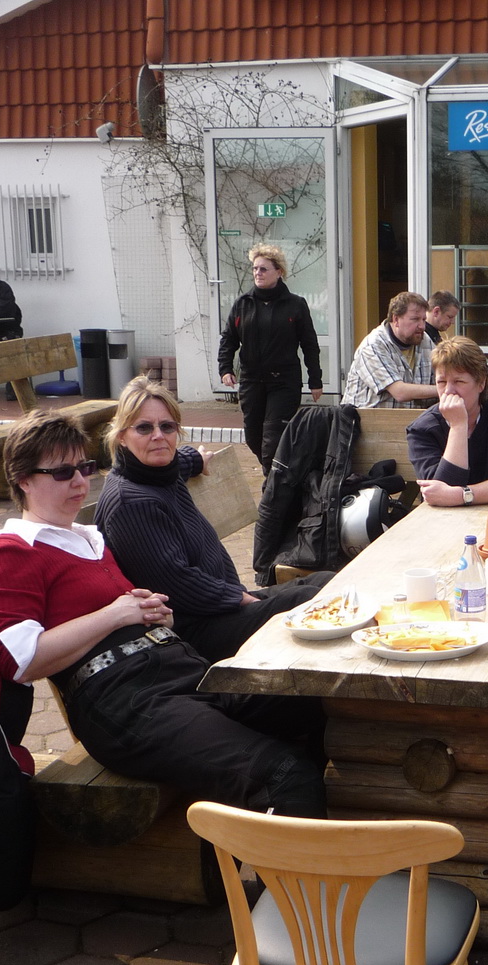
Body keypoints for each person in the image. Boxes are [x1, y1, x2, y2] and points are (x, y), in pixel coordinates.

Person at [0, 408, 326, 818]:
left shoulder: (85, 538)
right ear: (23, 480)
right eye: (62, 472)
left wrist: (153, 615)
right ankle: (301, 859)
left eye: (84, 467)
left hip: (182, 672)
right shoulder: (12, 551)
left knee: (317, 703)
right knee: (284, 775)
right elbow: (19, 660)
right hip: (125, 700)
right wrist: (115, 614)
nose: (80, 481)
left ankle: (281, 841)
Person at [95, 376, 333, 663]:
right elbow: (177, 584)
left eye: (167, 426)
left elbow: (178, 461)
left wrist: (196, 460)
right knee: (309, 601)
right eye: (144, 428)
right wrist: (241, 599)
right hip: (192, 630)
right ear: (122, 436)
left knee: (329, 582)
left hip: (219, 606)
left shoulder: (157, 470)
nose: (158, 436)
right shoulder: (131, 503)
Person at [217, 243, 323, 473]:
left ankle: (273, 483)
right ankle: (279, 474)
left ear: (279, 272)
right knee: (253, 438)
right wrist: (225, 368)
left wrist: (315, 379)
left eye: (263, 269)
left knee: (273, 439)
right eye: (255, 268)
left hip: (283, 382)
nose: (258, 273)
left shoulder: (295, 305)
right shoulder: (243, 304)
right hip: (252, 381)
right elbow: (229, 339)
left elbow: (309, 344)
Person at [406, 335, 488, 507]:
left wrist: (463, 495)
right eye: (441, 382)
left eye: (459, 381)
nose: (448, 391)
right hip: (444, 520)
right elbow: (440, 494)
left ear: (480, 383)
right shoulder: (422, 429)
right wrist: (458, 427)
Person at [340, 292, 437, 409]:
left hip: (410, 418)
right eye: (415, 319)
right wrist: (445, 390)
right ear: (396, 319)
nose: (422, 326)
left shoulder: (425, 341)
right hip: (366, 419)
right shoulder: (373, 346)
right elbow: (399, 392)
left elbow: (441, 376)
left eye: (424, 319)